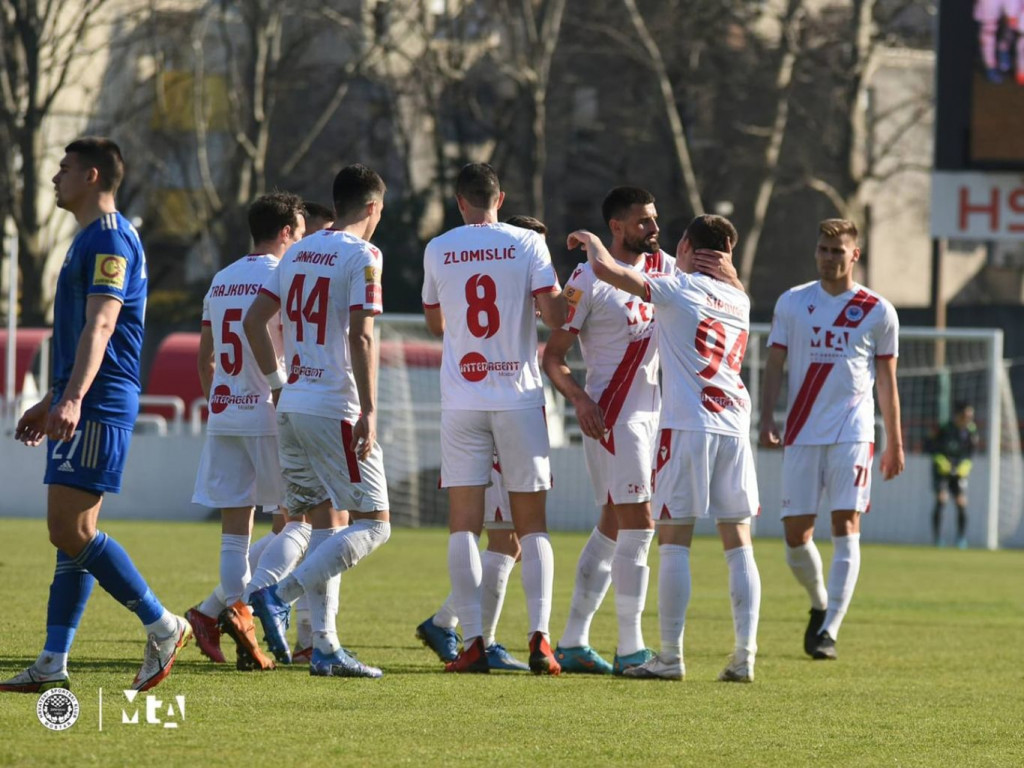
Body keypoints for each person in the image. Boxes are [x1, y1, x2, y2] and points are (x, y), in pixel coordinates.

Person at [0, 138, 190, 693]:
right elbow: (80, 331)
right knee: (72, 535)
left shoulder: (110, 238)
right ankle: (52, 663)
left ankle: (164, 624)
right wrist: (52, 397)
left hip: (100, 399)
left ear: (93, 176)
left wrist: (74, 398)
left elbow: (103, 325)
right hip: (85, 395)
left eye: (64, 168)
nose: (56, 177)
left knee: (71, 527)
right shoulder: (91, 239)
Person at [568, 215, 762, 683]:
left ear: (688, 245)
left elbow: (611, 272)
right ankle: (745, 655)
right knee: (739, 543)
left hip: (688, 424)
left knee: (674, 540)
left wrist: (593, 240)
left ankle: (671, 657)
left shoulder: (678, 289)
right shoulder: (741, 298)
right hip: (735, 424)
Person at [242, 164, 391, 680]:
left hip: (294, 404)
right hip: (335, 406)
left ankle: (325, 647)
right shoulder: (363, 255)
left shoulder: (298, 251)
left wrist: (279, 383)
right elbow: (363, 336)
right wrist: (370, 409)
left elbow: (252, 321)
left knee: (329, 525)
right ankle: (278, 596)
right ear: (372, 207)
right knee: (376, 525)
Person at [422, 163, 565, 674]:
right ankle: (541, 639)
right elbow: (554, 316)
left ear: (459, 201)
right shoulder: (528, 243)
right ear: (500, 198)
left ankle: (475, 641)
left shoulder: (438, 248)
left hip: (462, 397)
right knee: (532, 528)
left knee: (464, 525)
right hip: (518, 396)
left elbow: (435, 321)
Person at [759, 218, 904, 661]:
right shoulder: (793, 302)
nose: (828, 258)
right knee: (794, 540)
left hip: (852, 433)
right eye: (823, 249)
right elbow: (775, 364)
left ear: (854, 254)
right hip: (801, 432)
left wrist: (894, 441)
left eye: (837, 251)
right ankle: (820, 604)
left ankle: (830, 630)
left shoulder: (878, 310)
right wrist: (765, 416)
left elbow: (886, 382)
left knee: (846, 527)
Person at [541, 187, 672, 676]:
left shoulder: (665, 274)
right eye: (642, 221)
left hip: (653, 415)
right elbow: (552, 358)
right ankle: (630, 646)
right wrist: (581, 400)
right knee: (640, 526)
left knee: (613, 525)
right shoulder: (586, 280)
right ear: (616, 227)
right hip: (614, 417)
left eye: (655, 219)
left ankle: (574, 639)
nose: (653, 228)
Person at [185, 192, 307, 672]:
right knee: (301, 521)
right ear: (284, 233)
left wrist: (221, 399)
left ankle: (234, 622)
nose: (301, 240)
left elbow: (205, 359)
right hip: (270, 412)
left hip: (226, 414)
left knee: (235, 532)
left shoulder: (221, 279)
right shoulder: (283, 276)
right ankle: (256, 608)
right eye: (298, 232)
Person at [928, 402, 979, 548]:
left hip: (959, 471)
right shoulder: (944, 428)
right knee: (942, 499)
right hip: (942, 470)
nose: (969, 418)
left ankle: (961, 538)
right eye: (966, 415)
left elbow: (971, 453)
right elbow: (930, 446)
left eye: (971, 416)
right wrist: (941, 461)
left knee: (961, 502)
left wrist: (965, 466)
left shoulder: (971, 431)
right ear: (958, 415)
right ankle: (937, 538)